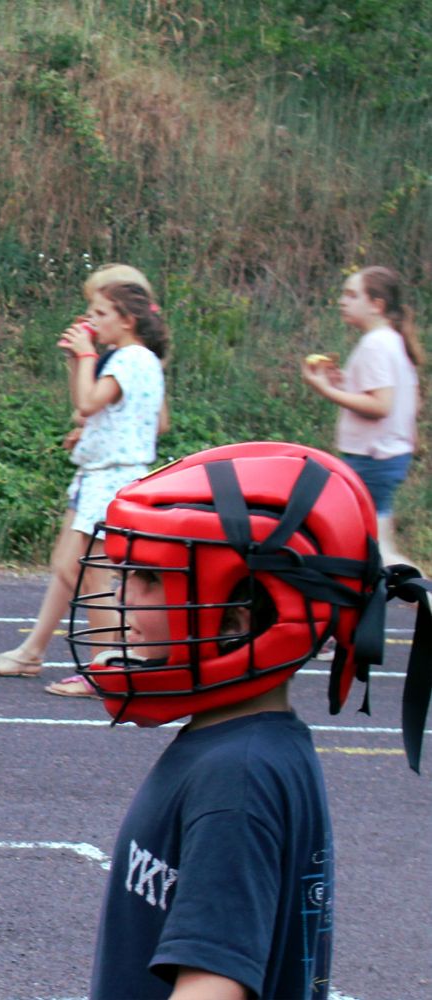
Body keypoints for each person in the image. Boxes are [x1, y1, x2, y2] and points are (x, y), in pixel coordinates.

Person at [64, 440, 424, 999]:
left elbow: (214, 986)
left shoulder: (238, 778)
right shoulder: (250, 748)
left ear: (236, 614)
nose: (123, 601)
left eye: (150, 579)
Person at [0, 272, 167, 697]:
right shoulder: (139, 359)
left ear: (127, 318)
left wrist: (84, 355)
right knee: (67, 568)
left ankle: (107, 670)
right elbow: (101, 414)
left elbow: (86, 402)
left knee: (92, 576)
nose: (92, 320)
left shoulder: (131, 358)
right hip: (101, 474)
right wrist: (80, 368)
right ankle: (32, 651)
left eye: (100, 312)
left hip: (112, 478)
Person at [301, 265, 421, 567]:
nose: (343, 301)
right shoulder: (389, 340)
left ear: (376, 305)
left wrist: (324, 390)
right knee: (377, 545)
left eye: (352, 295)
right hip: (387, 456)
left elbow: (381, 406)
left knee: (377, 552)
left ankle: (422, 600)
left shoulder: (376, 344)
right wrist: (344, 386)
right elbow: (395, 399)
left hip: (373, 459)